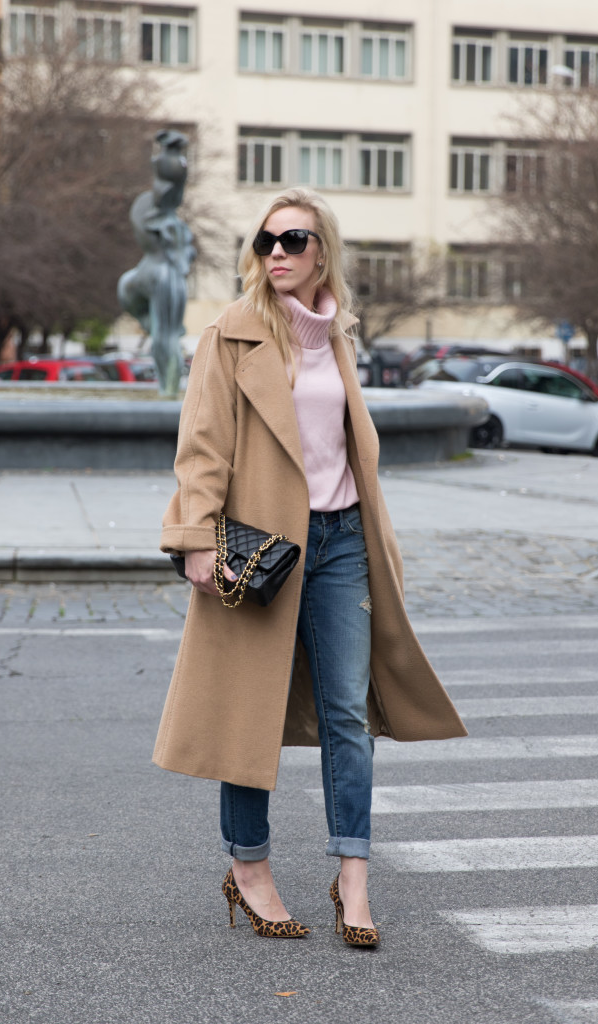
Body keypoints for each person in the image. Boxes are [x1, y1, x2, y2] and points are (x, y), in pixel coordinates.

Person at [153, 187, 467, 947]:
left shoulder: (339, 337)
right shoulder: (229, 337)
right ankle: (250, 869)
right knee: (245, 709)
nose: (278, 255)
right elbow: (201, 449)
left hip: (341, 545)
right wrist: (196, 538)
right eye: (266, 243)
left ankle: (351, 879)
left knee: (347, 716)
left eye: (293, 240)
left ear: (323, 247)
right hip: (262, 550)